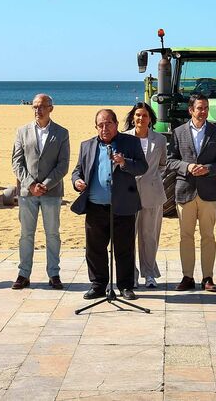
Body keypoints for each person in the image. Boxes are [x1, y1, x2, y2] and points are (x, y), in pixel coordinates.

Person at [70, 109, 147, 300]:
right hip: (95, 207)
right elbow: (78, 170)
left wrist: (124, 162)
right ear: (96, 127)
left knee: (124, 249)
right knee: (95, 249)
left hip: (123, 206)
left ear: (116, 124)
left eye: (108, 124)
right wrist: (77, 181)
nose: (104, 128)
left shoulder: (130, 142)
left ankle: (125, 286)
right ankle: (98, 284)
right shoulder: (87, 145)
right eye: (100, 125)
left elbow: (142, 167)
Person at [167, 93, 216, 292]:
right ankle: (187, 277)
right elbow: (170, 160)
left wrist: (208, 169)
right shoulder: (178, 132)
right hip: (185, 191)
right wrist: (187, 167)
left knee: (208, 236)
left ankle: (207, 278)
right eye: (199, 108)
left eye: (205, 108)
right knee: (186, 236)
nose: (203, 112)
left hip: (208, 192)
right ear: (191, 110)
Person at [11, 94, 70, 290]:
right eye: (35, 106)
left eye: (43, 106)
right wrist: (30, 185)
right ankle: (23, 274)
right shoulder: (22, 131)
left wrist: (45, 185)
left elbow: (63, 165)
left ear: (51, 108)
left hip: (51, 192)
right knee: (26, 234)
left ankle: (54, 274)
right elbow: (17, 162)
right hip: (27, 193)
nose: (38, 110)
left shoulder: (62, 133)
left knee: (52, 234)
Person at [123, 102, 168, 289]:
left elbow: (163, 164)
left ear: (150, 119)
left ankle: (149, 273)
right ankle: (131, 275)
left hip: (152, 193)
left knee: (149, 236)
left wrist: (153, 178)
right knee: (128, 236)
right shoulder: (124, 138)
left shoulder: (160, 139)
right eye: (138, 115)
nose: (141, 118)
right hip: (128, 194)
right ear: (133, 117)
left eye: (145, 115)